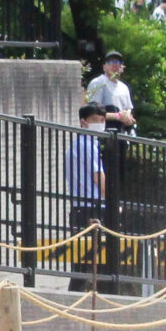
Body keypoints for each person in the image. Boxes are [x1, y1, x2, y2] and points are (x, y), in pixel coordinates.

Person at [66, 101, 108, 292]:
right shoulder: (89, 145)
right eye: (94, 120)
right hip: (93, 207)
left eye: (102, 120)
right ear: (83, 122)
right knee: (94, 257)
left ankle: (76, 294)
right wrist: (110, 200)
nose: (99, 124)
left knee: (81, 259)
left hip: (78, 206)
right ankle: (87, 295)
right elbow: (98, 176)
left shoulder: (74, 145)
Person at [86, 50, 136, 130]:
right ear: (104, 67)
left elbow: (128, 109)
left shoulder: (124, 88)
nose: (115, 64)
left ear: (122, 67)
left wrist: (128, 116)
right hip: (101, 133)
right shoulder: (97, 83)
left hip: (120, 134)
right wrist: (118, 116)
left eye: (118, 62)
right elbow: (92, 112)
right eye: (110, 62)